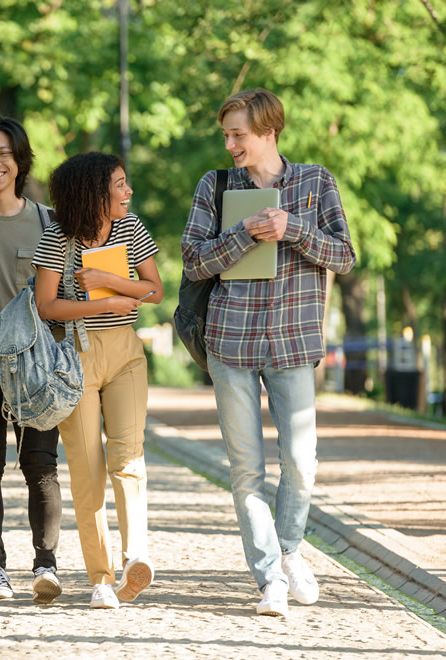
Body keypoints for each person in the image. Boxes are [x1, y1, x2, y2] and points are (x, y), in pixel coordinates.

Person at [181, 88, 355, 617]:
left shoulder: (315, 182)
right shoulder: (215, 186)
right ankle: (269, 579)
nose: (230, 144)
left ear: (268, 131)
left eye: (239, 134)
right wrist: (243, 235)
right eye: (227, 135)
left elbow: (344, 256)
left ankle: (289, 549)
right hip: (230, 342)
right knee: (246, 470)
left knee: (301, 463)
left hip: (293, 342)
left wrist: (293, 229)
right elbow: (192, 261)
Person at [33, 151, 163, 609]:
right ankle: (101, 578)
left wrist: (111, 280)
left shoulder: (130, 228)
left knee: (128, 459)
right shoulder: (57, 239)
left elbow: (154, 290)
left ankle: (135, 558)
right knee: (88, 471)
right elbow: (47, 305)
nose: (128, 192)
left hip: (125, 353)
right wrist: (101, 304)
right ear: (93, 193)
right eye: (120, 185)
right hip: (75, 358)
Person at [0, 116, 65, 603]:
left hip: (34, 375)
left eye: (2, 153)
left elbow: (64, 294)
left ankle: (46, 565)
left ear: (20, 160)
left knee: (40, 467)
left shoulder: (48, 222)